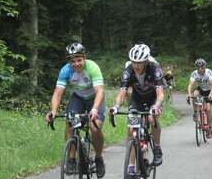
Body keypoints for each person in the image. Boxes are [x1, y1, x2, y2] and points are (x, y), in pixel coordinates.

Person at [45, 42, 106, 178]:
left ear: (84, 58)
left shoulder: (92, 67)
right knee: (69, 122)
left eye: (79, 60)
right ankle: (72, 159)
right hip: (78, 98)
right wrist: (53, 111)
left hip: (95, 98)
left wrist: (95, 108)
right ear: (69, 62)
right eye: (73, 61)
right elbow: (58, 93)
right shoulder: (66, 70)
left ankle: (98, 158)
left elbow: (100, 91)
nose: (76, 64)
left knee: (94, 127)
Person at [109, 43, 164, 177]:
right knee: (131, 131)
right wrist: (116, 106)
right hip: (137, 100)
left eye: (139, 63)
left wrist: (156, 106)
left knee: (152, 118)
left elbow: (160, 94)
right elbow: (122, 93)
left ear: (146, 61)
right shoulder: (128, 71)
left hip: (152, 99)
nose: (136, 66)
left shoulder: (154, 69)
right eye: (134, 62)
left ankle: (157, 147)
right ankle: (131, 166)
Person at [186, 58, 212, 139]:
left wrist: (210, 94)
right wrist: (188, 94)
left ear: (205, 66)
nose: (200, 69)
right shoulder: (194, 73)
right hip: (201, 89)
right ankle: (196, 112)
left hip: (209, 91)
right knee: (195, 94)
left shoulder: (208, 72)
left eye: (202, 67)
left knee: (208, 109)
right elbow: (190, 85)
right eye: (198, 67)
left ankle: (209, 128)